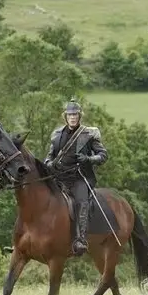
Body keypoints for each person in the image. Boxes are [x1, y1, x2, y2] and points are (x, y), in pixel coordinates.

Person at [43, 98, 108, 255]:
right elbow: (48, 157)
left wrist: (89, 159)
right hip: (59, 176)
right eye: (70, 115)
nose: (73, 117)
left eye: (75, 115)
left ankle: (80, 239)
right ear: (65, 116)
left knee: (81, 202)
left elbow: (103, 155)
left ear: (79, 116)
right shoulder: (56, 135)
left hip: (79, 177)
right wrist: (49, 163)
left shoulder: (88, 134)